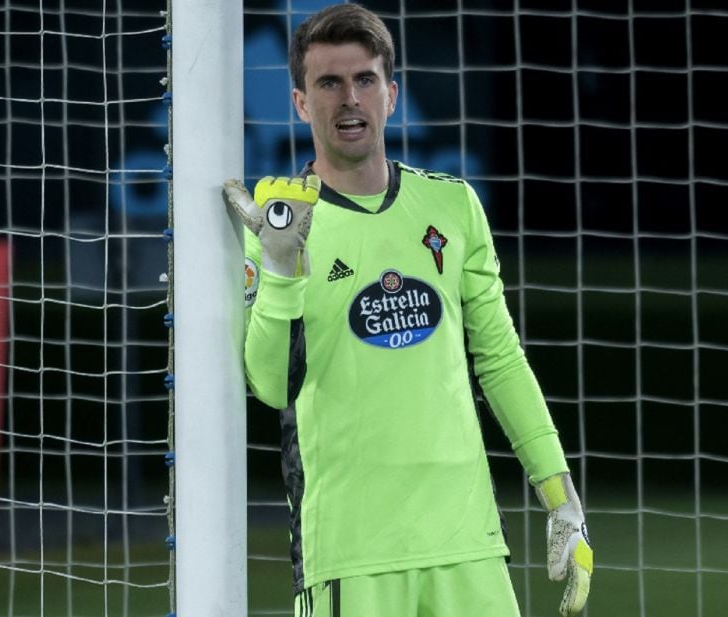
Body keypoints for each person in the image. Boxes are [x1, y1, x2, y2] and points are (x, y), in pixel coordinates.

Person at [224, 4, 593, 616]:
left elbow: (500, 359)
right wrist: (283, 268)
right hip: (351, 552)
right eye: (328, 83)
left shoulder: (452, 205)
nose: (349, 99)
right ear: (298, 102)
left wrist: (561, 497)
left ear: (391, 95)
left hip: (467, 543)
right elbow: (268, 384)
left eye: (364, 80)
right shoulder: (274, 216)